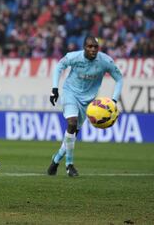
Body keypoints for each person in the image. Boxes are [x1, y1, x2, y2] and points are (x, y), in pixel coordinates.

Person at [47, 36, 123, 177]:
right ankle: (69, 165)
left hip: (88, 102)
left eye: (95, 47)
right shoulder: (74, 57)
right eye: (90, 46)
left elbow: (119, 79)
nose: (93, 49)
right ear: (84, 47)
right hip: (71, 93)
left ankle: (56, 160)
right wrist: (55, 89)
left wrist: (114, 100)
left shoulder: (105, 61)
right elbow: (59, 66)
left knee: (72, 134)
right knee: (72, 123)